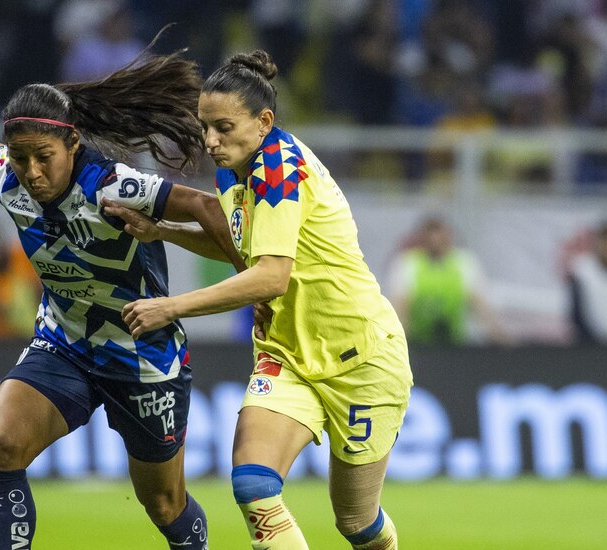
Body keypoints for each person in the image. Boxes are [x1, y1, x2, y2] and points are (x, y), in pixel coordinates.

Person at [0, 48, 241, 550]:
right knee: (0, 446)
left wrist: (247, 269)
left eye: (44, 158)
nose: (31, 172)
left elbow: (201, 204)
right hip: (63, 345)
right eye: (20, 157)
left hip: (142, 358)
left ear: (72, 143)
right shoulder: (8, 175)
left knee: (164, 505)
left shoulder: (113, 185)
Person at [103, 50, 411, 549]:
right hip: (286, 355)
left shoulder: (280, 169)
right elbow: (242, 243)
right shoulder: (234, 170)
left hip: (361, 358)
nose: (210, 141)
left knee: (356, 522)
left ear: (264, 121)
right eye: (205, 127)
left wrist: (171, 306)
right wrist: (161, 230)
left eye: (223, 127)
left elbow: (270, 277)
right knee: (253, 485)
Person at [387, 216, 511, 347]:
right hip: (417, 343)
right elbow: (400, 308)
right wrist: (399, 345)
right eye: (431, 239)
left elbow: (480, 305)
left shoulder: (464, 262)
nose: (436, 243)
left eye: (441, 239)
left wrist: (499, 338)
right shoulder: (408, 263)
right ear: (422, 240)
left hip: (456, 344)